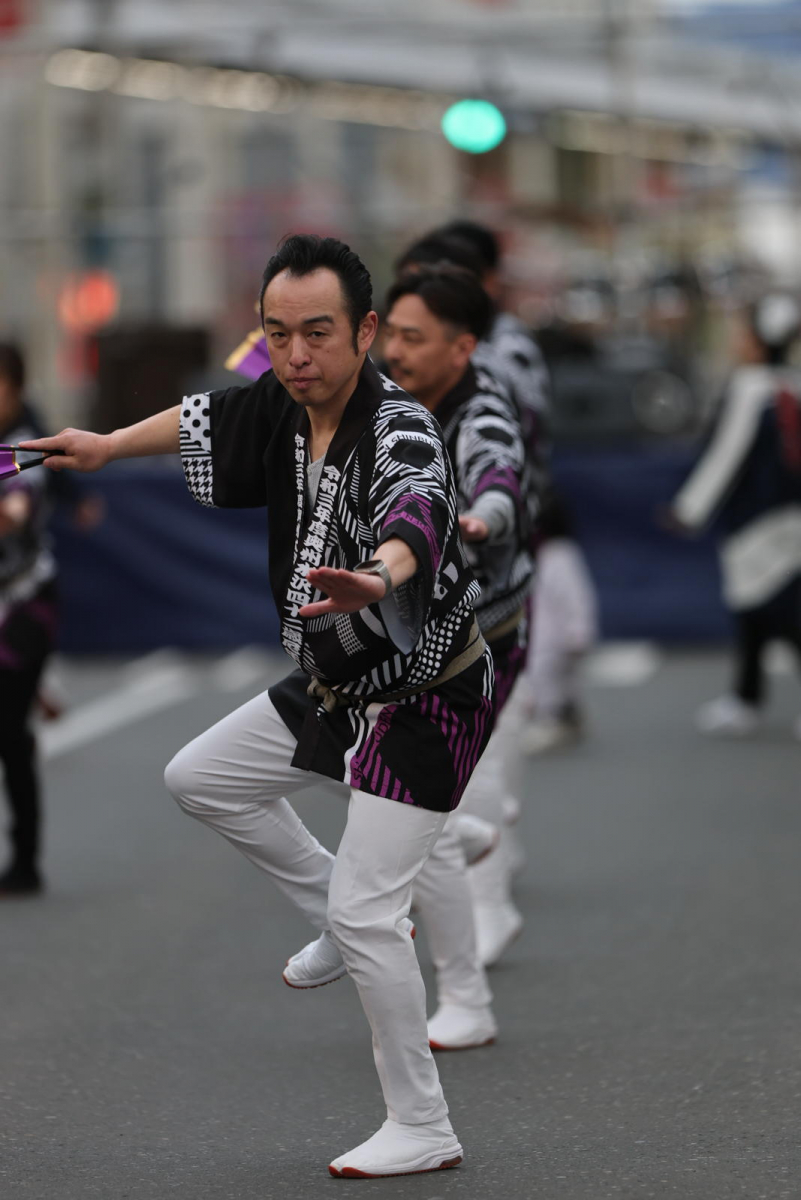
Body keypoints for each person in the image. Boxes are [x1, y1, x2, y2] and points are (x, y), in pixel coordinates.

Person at [24, 235, 495, 1179]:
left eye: (317, 332)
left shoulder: (398, 426)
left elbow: (416, 508)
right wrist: (106, 446)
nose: (295, 354)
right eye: (276, 333)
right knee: (200, 777)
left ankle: (421, 1123)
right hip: (335, 688)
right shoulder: (282, 404)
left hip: (425, 699)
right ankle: (341, 909)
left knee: (369, 914)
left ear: (364, 331)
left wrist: (379, 575)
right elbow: (204, 416)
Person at [382, 262, 535, 1043]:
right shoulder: (387, 399)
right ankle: (457, 838)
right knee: (364, 772)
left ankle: (468, 986)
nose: (396, 350)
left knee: (420, 796)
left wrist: (484, 516)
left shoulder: (481, 410)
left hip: (477, 637)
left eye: (414, 338)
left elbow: (498, 471)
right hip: (398, 633)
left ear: (462, 346)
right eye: (391, 334)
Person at [670, 292, 801, 736]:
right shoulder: (792, 383)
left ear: (759, 341)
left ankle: (748, 697)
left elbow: (726, 453)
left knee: (774, 606)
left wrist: (689, 509)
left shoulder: (749, 387)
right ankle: (747, 696)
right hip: (789, 511)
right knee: (757, 606)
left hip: (756, 514)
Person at [0, 343, 58, 896]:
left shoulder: (25, 448)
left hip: (26, 605)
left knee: (9, 731)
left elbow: (14, 514)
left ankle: (25, 858)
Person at [521, 489, 598, 755]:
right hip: (545, 635)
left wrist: (579, 632)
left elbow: (575, 596)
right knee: (558, 680)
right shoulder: (535, 556)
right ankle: (568, 717)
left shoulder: (559, 554)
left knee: (550, 679)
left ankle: (552, 721)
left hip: (558, 637)